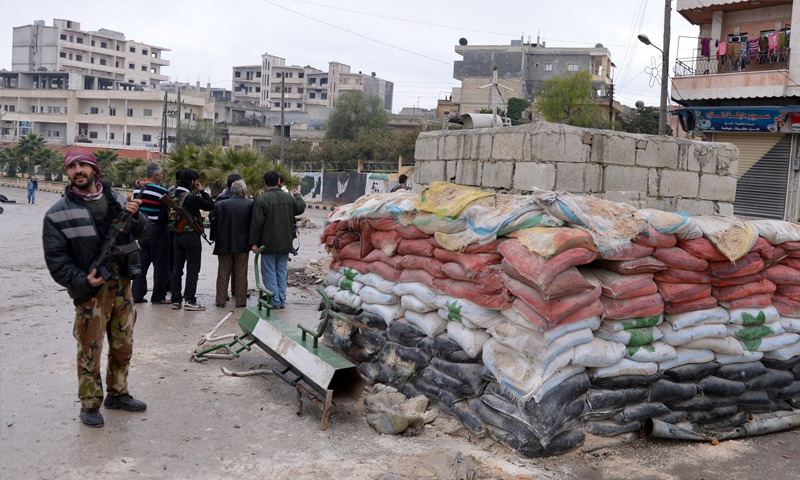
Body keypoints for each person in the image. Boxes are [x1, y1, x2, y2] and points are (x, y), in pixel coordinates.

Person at [42, 149, 151, 428]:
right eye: (72, 166)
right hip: (92, 292)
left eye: (83, 165)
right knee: (90, 349)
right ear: (67, 172)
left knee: (123, 345)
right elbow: (57, 260)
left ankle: (118, 394)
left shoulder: (116, 198)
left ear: (94, 169)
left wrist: (136, 216)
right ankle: (90, 405)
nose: (78, 170)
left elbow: (142, 232)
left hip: (122, 286)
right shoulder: (57, 214)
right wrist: (82, 281)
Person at [249, 170, 306, 309]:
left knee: (269, 272)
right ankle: (281, 300)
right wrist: (297, 195)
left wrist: (253, 243)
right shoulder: (288, 197)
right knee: (281, 271)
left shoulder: (262, 199)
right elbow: (300, 208)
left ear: (264, 182)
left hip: (268, 243)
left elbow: (257, 223)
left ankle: (274, 300)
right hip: (286, 242)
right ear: (279, 182)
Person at [169, 168, 214, 311]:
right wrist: (202, 191)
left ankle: (175, 300)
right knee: (192, 269)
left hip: (176, 235)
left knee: (177, 268)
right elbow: (210, 205)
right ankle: (190, 300)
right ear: (192, 182)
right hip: (191, 236)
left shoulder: (170, 194)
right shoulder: (190, 197)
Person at [131, 162, 171, 304]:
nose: (162, 176)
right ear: (156, 175)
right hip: (158, 230)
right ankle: (158, 297)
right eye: (161, 173)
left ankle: (136, 295)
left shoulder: (137, 190)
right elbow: (168, 209)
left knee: (142, 263)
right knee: (160, 264)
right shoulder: (162, 192)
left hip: (142, 230)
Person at [213, 180, 253, 308]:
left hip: (224, 244)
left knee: (223, 273)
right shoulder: (250, 205)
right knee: (241, 273)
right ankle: (241, 302)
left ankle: (220, 301)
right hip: (242, 244)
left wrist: (216, 239)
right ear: (244, 191)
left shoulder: (221, 205)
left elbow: (214, 223)